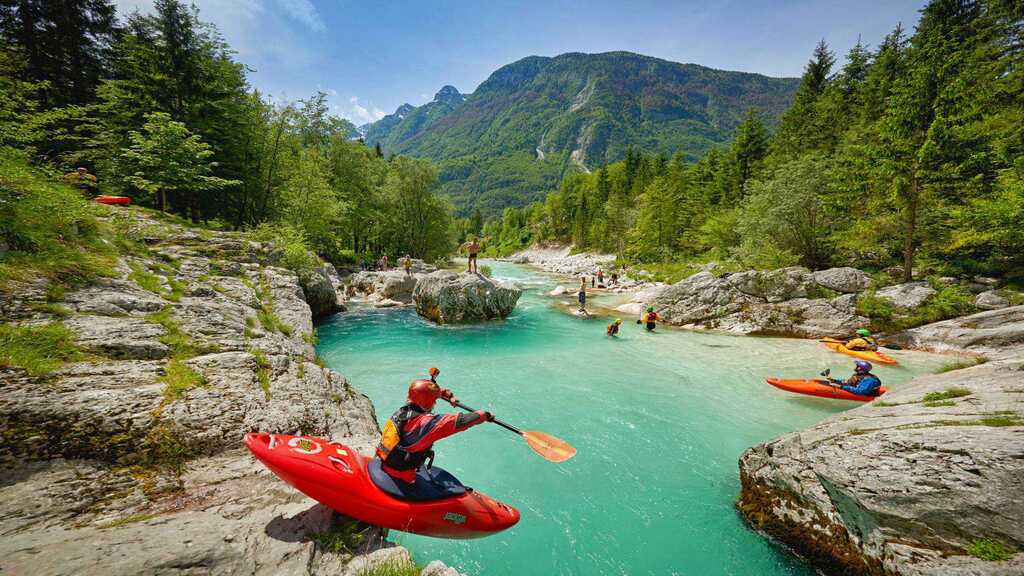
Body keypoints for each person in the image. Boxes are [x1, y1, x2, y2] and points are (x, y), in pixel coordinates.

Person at [376, 367, 492, 485]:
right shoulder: (426, 423)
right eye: (434, 400)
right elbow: (460, 422)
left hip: (386, 462)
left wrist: (448, 396)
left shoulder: (403, 411)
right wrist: (484, 415)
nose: (435, 402)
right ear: (427, 402)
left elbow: (427, 392)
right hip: (403, 475)